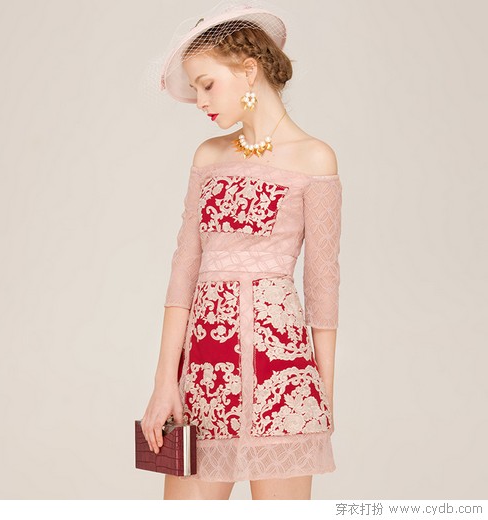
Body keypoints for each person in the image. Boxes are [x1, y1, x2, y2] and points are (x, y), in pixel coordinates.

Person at [141, 3, 343, 500]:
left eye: (207, 85)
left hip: (284, 379)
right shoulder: (208, 156)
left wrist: (323, 397)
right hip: (203, 378)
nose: (200, 102)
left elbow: (322, 287)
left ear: (249, 70)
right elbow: (183, 275)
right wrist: (165, 382)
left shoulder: (315, 159)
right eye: (196, 89)